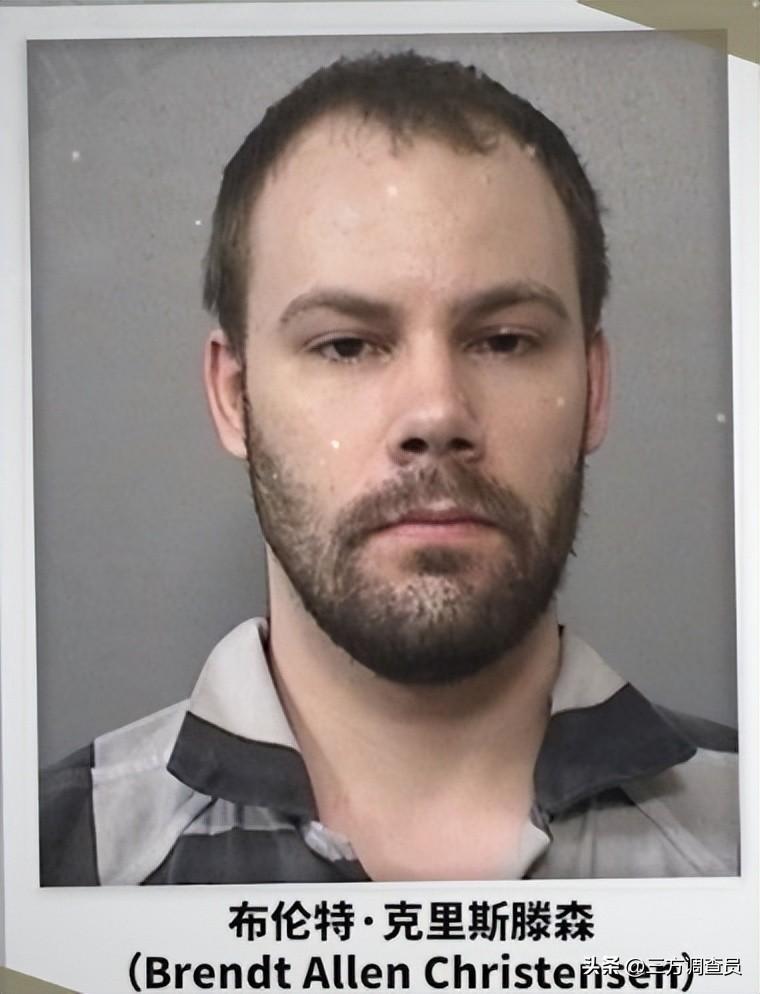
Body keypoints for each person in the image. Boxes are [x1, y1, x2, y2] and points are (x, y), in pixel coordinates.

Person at [40, 51, 738, 886]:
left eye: (504, 340)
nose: (436, 413)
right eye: (345, 345)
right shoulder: (48, 866)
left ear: (594, 389)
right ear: (234, 397)